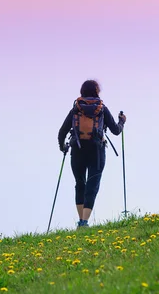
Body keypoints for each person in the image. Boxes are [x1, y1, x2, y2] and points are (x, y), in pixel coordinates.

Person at [57, 80, 126, 229]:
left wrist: (63, 147)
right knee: (92, 184)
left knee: (80, 184)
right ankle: (84, 222)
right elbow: (115, 130)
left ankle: (80, 220)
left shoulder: (75, 109)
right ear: (97, 91)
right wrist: (122, 122)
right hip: (97, 150)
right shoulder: (101, 109)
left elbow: (62, 132)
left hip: (77, 149)